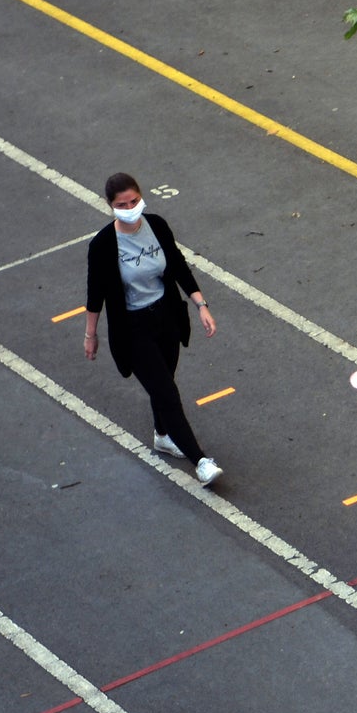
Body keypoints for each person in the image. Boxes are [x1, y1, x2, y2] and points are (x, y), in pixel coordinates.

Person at [84, 173, 223, 487]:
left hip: (166, 318)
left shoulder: (156, 225)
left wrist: (201, 304)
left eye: (134, 201)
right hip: (133, 329)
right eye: (123, 204)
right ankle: (200, 460)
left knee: (165, 382)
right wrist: (90, 335)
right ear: (111, 206)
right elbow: (95, 296)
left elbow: (176, 265)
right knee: (166, 392)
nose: (131, 207)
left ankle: (162, 436)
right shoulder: (103, 245)